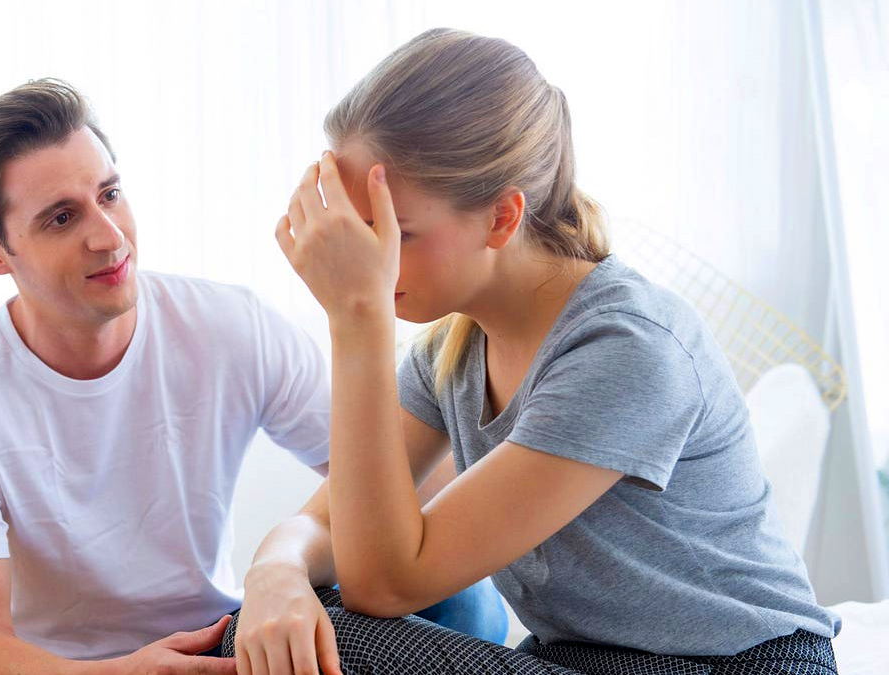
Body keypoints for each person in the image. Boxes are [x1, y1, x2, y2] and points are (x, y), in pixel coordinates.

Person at [231, 28, 841, 675]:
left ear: (502, 217)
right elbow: (328, 527)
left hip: (732, 665)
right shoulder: (451, 352)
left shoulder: (625, 348)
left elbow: (384, 583)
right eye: (358, 230)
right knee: (272, 626)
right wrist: (275, 571)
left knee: (327, 637)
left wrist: (356, 320)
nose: (370, 260)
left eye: (397, 232)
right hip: (577, 659)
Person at [0, 77, 507, 675]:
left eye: (110, 194)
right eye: (61, 218)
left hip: (222, 639)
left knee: (447, 587)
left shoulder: (228, 324)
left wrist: (284, 568)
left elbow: (405, 486)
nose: (109, 237)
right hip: (84, 671)